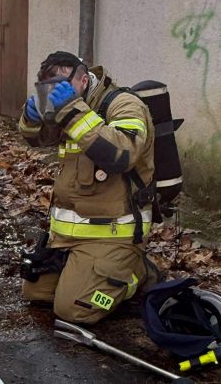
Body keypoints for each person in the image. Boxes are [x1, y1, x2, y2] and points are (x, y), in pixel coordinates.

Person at [18, 51, 160, 324]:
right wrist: (31, 117)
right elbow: (38, 139)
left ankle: (136, 274)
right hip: (66, 236)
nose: (54, 92)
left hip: (113, 235)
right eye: (48, 86)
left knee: (74, 309)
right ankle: (83, 271)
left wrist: (72, 111)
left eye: (60, 85)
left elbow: (122, 154)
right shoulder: (73, 104)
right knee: (36, 292)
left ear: (84, 80)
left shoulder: (124, 104)